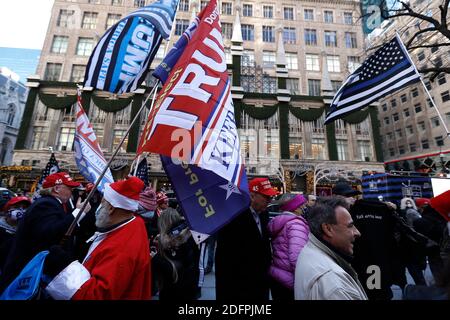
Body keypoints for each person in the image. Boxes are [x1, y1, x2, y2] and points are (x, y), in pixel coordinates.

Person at [43, 176, 151, 300]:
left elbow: (97, 295)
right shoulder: (129, 228)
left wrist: (65, 268)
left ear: (111, 208)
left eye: (102, 202)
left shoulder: (121, 248)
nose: (99, 207)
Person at [0, 172, 90, 293]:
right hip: (27, 273)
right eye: (69, 188)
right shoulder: (46, 204)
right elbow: (51, 233)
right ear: (57, 188)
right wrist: (79, 212)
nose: (71, 191)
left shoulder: (54, 203)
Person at [215, 177, 277, 301]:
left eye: (270, 197)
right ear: (252, 196)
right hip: (239, 288)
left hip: (260, 284)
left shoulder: (264, 214)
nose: (269, 201)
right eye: (266, 197)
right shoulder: (233, 218)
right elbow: (225, 259)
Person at [294, 197, 367, 300]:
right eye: (350, 226)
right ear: (328, 229)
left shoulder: (310, 249)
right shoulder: (335, 285)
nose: (357, 232)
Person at [152, 208, 200, 300]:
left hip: (173, 292)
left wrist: (154, 258)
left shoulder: (170, 244)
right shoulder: (189, 237)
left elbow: (171, 271)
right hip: (190, 289)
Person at [268, 193, 309, 300]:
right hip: (290, 279)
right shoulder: (296, 224)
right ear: (295, 208)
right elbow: (297, 258)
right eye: (302, 206)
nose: (304, 208)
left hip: (277, 273)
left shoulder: (279, 221)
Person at [0, 196, 32, 271]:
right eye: (16, 207)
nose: (20, 210)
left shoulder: (25, 232)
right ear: (8, 209)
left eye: (24, 208)